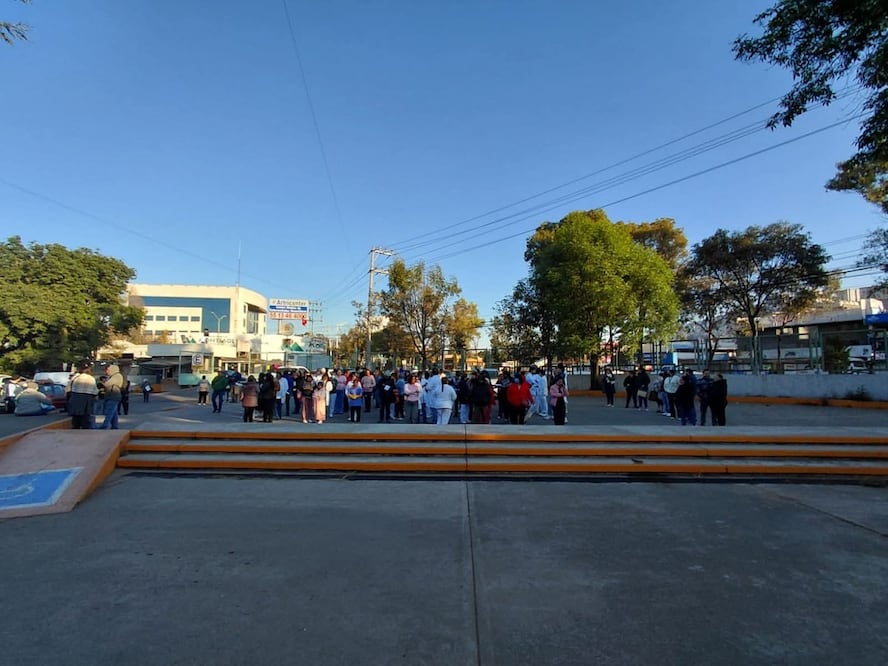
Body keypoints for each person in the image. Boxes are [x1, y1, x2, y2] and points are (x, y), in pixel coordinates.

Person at [100, 364, 124, 429]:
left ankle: (105, 425)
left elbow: (107, 384)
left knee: (109, 411)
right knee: (114, 412)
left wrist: (103, 383)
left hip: (113, 395)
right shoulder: (114, 376)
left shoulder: (116, 376)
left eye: (107, 370)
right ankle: (114, 425)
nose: (106, 371)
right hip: (113, 395)